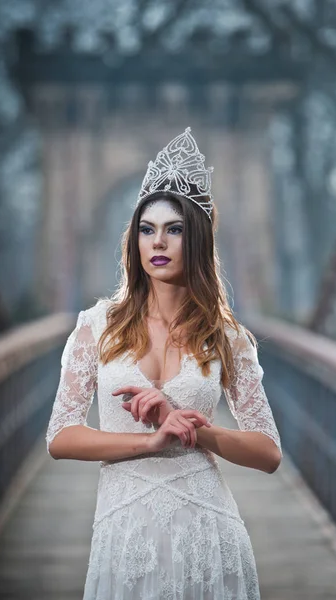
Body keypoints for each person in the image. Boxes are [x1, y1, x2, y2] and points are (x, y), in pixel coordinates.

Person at [45, 127, 282, 600]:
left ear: (195, 239)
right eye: (147, 229)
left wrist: (195, 431)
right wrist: (154, 440)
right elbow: (60, 438)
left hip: (210, 533)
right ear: (134, 240)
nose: (159, 242)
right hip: (124, 531)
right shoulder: (97, 326)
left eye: (174, 229)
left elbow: (269, 452)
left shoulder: (227, 335)